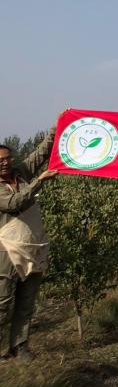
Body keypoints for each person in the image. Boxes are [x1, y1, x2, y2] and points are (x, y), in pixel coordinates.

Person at [0, 129, 58, 360]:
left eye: (7, 158)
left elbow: (41, 153)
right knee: (3, 302)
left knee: (26, 301)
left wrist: (57, 127)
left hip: (33, 247)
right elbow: (14, 203)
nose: (5, 163)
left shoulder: (20, 173)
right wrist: (39, 181)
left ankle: (20, 346)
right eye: (1, 160)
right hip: (6, 250)